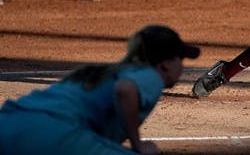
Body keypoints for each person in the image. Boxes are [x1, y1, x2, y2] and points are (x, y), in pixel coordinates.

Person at [0, 24, 200, 155]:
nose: (182, 66)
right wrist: (138, 144)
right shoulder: (151, 75)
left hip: (11, 119)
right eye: (180, 59)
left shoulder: (105, 71)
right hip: (52, 132)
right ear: (165, 64)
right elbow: (125, 90)